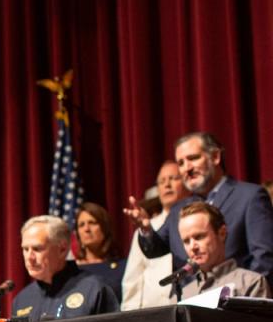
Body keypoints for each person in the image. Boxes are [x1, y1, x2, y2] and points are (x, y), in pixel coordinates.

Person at [124, 131, 273, 286]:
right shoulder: (178, 209)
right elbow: (154, 249)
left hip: (236, 300)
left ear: (215, 157)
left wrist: (247, 297)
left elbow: (264, 257)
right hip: (189, 301)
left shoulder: (249, 196)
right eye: (180, 163)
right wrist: (146, 228)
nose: (186, 168)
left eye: (193, 158)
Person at [12, 216, 119, 322]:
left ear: (62, 249)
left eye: (37, 249)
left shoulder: (95, 289)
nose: (30, 257)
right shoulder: (21, 300)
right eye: (25, 249)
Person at [121, 161, 189, 310]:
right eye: (162, 181)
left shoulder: (194, 222)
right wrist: (129, 317)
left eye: (173, 178)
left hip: (187, 304)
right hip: (153, 312)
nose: (167, 185)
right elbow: (133, 278)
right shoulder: (146, 227)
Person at [179, 202, 271, 299]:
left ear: (222, 233)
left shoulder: (251, 283)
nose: (192, 247)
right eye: (186, 241)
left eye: (199, 237)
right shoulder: (182, 295)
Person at [74, 203, 124, 300]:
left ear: (104, 227)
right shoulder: (71, 270)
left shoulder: (122, 267)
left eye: (92, 223)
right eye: (81, 225)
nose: (86, 229)